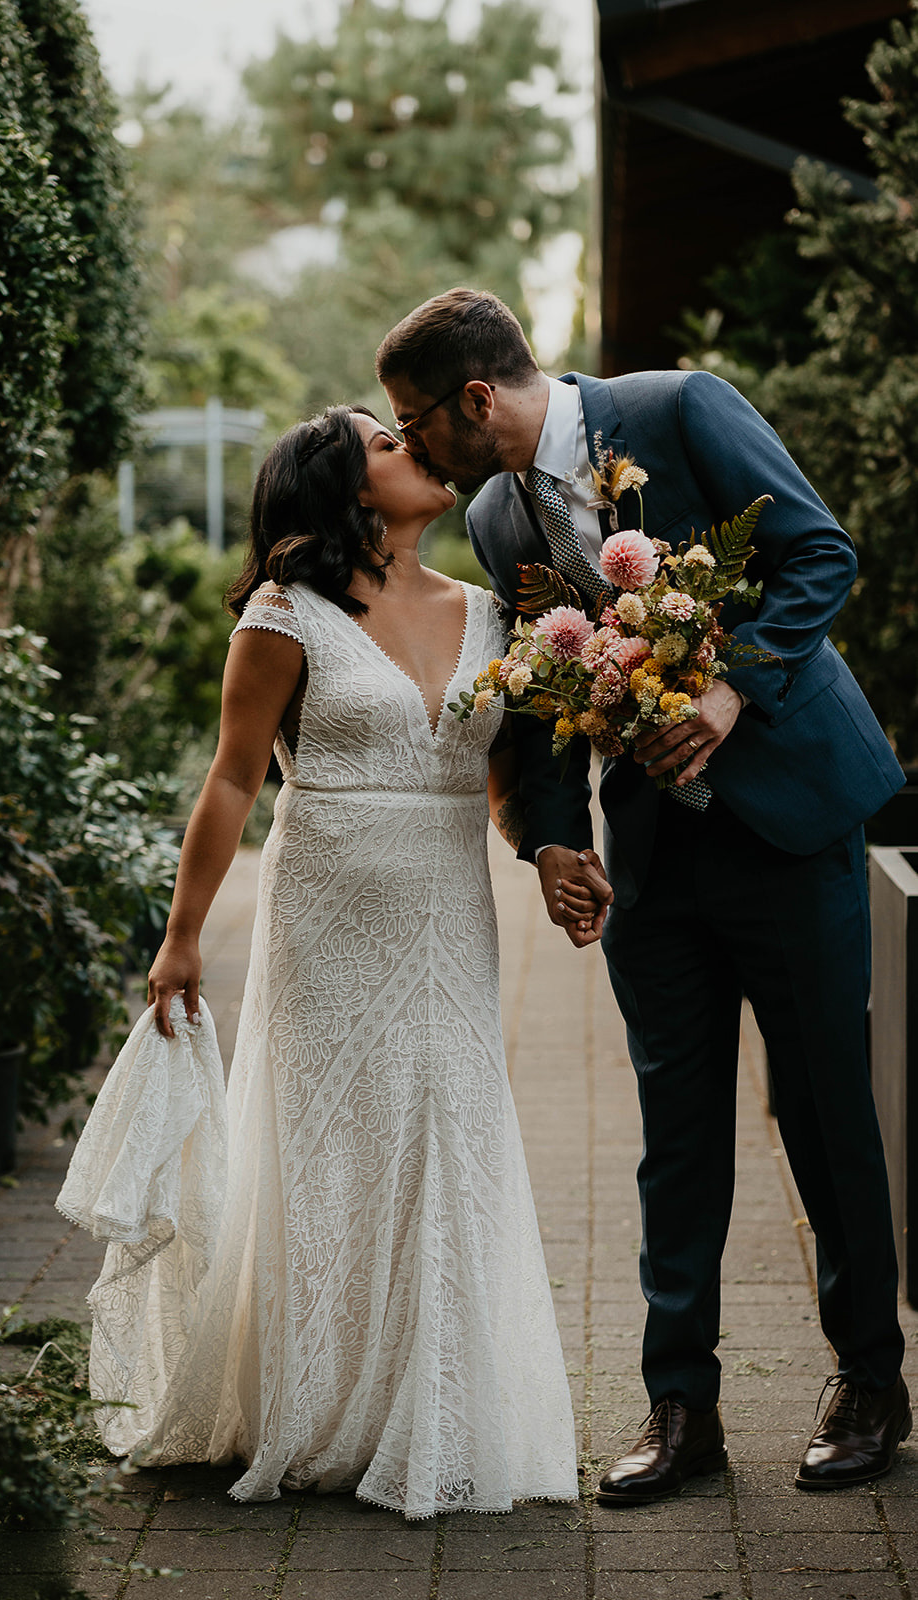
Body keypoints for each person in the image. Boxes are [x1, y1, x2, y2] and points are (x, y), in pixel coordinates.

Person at [376, 287, 910, 1504]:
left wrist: (731, 689)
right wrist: (551, 844)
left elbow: (818, 552)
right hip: (655, 859)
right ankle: (681, 1408)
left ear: (475, 398)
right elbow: (542, 684)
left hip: (789, 827)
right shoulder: (494, 508)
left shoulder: (678, 409)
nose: (406, 448)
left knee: (828, 1113)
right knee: (672, 1139)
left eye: (414, 423)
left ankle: (868, 1378)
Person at [65, 403, 577, 1520]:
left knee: (446, 1129)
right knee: (331, 1142)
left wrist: (549, 856)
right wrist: (181, 932)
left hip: (447, 915)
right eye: (384, 444)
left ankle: (431, 1407)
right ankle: (311, 1401)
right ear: (345, 489)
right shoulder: (282, 615)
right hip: (326, 911)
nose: (413, 447)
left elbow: (495, 785)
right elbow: (231, 781)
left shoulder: (492, 612)